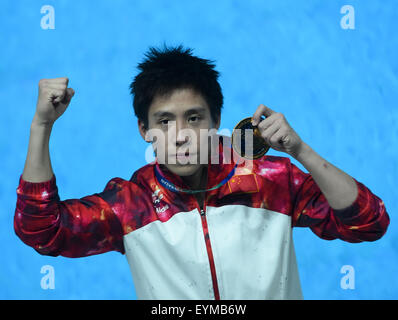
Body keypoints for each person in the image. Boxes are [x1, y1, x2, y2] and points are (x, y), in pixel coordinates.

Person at [14, 44, 390, 300]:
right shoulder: (131, 206)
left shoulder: (271, 180)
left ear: (216, 121)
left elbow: (369, 223)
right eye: (164, 121)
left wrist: (300, 151)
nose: (180, 136)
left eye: (193, 118)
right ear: (143, 130)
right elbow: (42, 232)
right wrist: (41, 126)